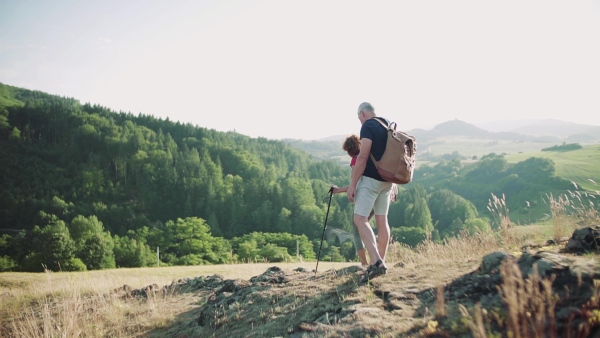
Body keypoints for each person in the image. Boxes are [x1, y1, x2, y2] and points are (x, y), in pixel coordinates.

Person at [333, 134, 398, 267]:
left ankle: (364, 263)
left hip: (368, 195)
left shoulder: (356, 160)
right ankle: (381, 259)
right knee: (382, 222)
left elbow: (356, 184)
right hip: (383, 188)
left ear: (349, 151)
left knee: (358, 225)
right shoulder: (371, 156)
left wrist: (338, 190)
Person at [346, 102, 394, 281]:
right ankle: (381, 260)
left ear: (363, 113)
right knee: (382, 220)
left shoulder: (368, 125)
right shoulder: (387, 124)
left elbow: (363, 156)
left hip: (371, 180)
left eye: (359, 117)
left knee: (359, 219)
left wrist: (352, 185)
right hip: (387, 181)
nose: (360, 121)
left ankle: (376, 263)